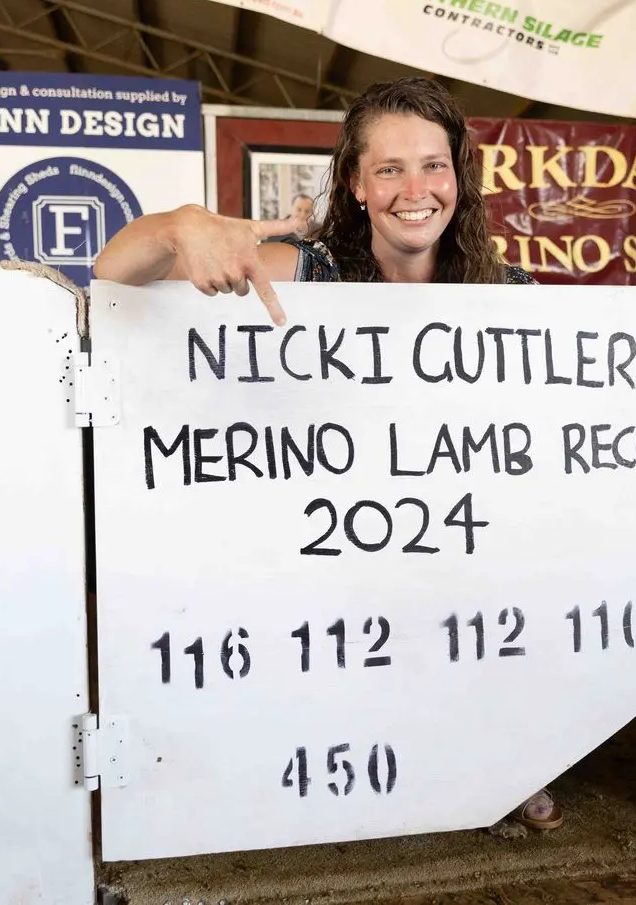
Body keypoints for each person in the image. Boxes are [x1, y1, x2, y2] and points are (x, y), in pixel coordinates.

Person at [92, 77, 561, 833]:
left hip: (455, 554)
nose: (416, 190)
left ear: (459, 177)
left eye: (433, 166)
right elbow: (114, 274)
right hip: (323, 562)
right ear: (356, 184)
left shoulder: (512, 293)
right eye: (389, 169)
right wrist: (180, 226)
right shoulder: (309, 274)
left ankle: (498, 753)